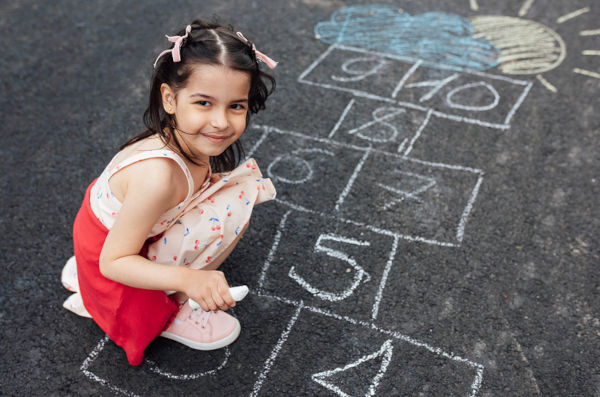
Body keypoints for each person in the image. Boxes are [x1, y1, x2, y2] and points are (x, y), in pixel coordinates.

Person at [60, 19, 277, 366]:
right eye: (204, 103)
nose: (221, 121)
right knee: (235, 205)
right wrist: (187, 279)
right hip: (111, 265)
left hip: (105, 237)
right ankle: (171, 309)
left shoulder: (180, 138)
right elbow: (113, 261)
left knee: (238, 193)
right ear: (170, 98)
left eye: (235, 106)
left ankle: (106, 282)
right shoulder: (157, 176)